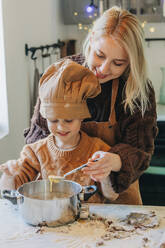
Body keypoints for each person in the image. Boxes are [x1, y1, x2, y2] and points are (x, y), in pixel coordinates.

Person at [23, 6, 158, 205]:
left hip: (118, 200)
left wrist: (115, 160)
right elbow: (37, 136)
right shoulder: (61, 75)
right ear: (92, 38)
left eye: (118, 63)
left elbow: (142, 151)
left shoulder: (136, 89)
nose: (104, 69)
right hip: (61, 195)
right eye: (100, 55)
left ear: (130, 62)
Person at [0, 59, 120, 203]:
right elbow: (12, 193)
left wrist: (104, 176)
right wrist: (9, 175)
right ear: (45, 118)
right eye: (53, 120)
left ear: (82, 118)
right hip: (50, 220)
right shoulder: (35, 152)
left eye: (69, 120)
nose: (61, 127)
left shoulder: (97, 150)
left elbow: (112, 196)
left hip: (91, 221)